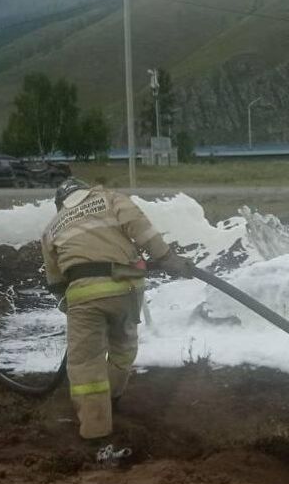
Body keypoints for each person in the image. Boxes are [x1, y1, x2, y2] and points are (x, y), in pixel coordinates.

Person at [40, 178, 192, 444]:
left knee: (87, 363)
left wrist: (66, 301)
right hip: (126, 290)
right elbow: (141, 228)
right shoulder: (111, 199)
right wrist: (167, 258)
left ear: (60, 203)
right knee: (122, 346)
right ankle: (112, 397)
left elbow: (54, 278)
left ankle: (96, 429)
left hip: (83, 295)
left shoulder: (52, 226)